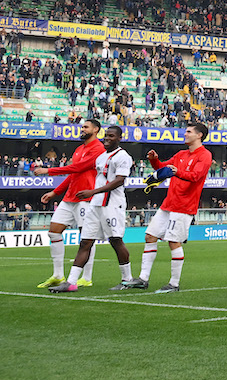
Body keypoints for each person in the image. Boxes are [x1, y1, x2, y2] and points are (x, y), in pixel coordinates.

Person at [121, 122, 213, 292]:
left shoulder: (205, 155)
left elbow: (196, 176)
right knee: (150, 236)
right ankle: (143, 279)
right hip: (169, 203)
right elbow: (162, 169)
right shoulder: (181, 154)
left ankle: (174, 284)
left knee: (173, 241)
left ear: (199, 135)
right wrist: (154, 160)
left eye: (189, 132)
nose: (185, 134)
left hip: (184, 206)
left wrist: (177, 172)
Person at [49, 126, 133, 293]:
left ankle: (127, 279)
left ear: (119, 138)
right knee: (85, 241)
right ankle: (71, 282)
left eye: (111, 136)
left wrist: (92, 192)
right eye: (106, 135)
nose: (107, 138)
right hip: (95, 204)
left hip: (112, 204)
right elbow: (79, 170)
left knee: (116, 241)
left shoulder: (123, 156)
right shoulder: (101, 157)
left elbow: (119, 181)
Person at [33, 119, 104, 288]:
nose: (82, 129)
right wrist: (55, 192)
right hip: (70, 197)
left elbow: (78, 168)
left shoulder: (99, 149)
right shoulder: (79, 149)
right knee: (54, 232)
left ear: (95, 130)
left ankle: (86, 277)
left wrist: (48, 170)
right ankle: (58, 275)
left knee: (86, 238)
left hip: (86, 197)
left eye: (86, 127)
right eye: (82, 127)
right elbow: (73, 174)